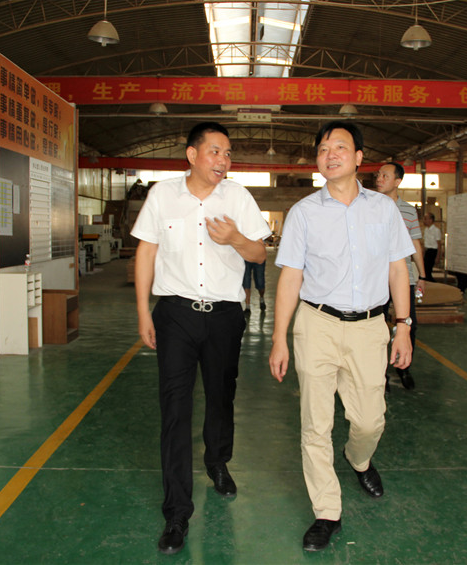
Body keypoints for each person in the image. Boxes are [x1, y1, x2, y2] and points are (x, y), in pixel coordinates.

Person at [269, 121, 413, 552]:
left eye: (340, 147)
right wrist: (279, 337)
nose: (330, 155)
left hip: (370, 327)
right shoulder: (303, 213)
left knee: (370, 419)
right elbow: (290, 278)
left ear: (359, 158)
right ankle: (326, 512)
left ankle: (358, 458)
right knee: (316, 423)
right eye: (323, 149)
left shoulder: (383, 210)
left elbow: (398, 270)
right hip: (317, 325)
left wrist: (403, 326)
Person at [131, 122, 271, 555]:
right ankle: (176, 512)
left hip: (225, 316)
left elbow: (260, 253)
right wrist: (143, 312)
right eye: (215, 152)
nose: (223, 161)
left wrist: (236, 238)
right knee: (175, 408)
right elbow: (146, 251)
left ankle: (218, 462)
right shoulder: (162, 196)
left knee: (220, 396)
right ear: (192, 155)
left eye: (228, 154)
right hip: (175, 314)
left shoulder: (238, 197)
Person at [374, 162, 426, 390]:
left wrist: (422, 275)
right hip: (376, 278)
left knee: (409, 323)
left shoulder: (408, 210)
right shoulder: (369, 206)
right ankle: (380, 371)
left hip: (404, 277)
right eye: (378, 175)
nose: (379, 179)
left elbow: (415, 243)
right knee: (377, 325)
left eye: (385, 175)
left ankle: (403, 367)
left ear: (397, 181)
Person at [422, 212, 442, 281]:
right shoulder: (426, 230)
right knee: (425, 270)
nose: (424, 220)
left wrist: (438, 257)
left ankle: (433, 283)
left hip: (433, 251)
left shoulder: (436, 230)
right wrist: (423, 253)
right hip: (427, 251)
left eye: (425, 219)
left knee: (428, 271)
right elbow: (425, 243)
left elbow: (439, 244)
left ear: (430, 220)